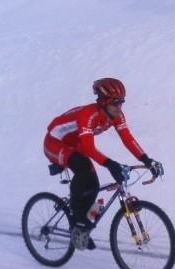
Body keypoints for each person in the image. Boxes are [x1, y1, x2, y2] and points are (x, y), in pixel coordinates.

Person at [43, 78, 163, 248]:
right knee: (83, 168)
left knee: (93, 184)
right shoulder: (88, 115)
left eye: (122, 102)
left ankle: (79, 230)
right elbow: (89, 148)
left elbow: (128, 139)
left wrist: (147, 160)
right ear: (103, 102)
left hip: (75, 144)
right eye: (115, 102)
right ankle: (78, 218)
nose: (119, 107)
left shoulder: (117, 116)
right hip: (55, 142)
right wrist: (111, 164)